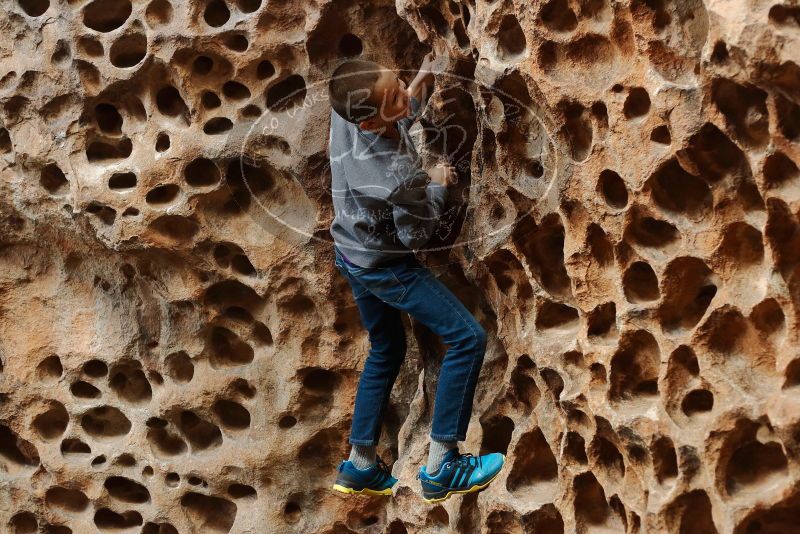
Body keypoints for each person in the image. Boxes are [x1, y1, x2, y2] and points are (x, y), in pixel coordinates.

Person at [326, 52, 505, 503]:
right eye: (395, 98)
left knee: (387, 347)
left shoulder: (345, 107)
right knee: (467, 338)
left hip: (351, 253)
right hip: (387, 265)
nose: (404, 95)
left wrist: (418, 85)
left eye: (398, 82)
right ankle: (442, 465)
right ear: (368, 123)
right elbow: (415, 234)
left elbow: (385, 111)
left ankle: (361, 466)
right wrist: (437, 184)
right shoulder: (395, 178)